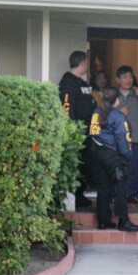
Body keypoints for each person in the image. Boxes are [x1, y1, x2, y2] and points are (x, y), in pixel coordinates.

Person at [88, 86, 138, 233]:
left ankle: (103, 221)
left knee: (103, 187)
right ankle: (123, 220)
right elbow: (123, 140)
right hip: (112, 156)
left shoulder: (96, 112)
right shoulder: (118, 116)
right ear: (117, 100)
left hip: (96, 154)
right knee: (121, 186)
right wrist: (127, 157)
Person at [58, 50, 95, 208]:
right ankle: (76, 197)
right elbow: (67, 108)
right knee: (77, 164)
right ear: (83, 63)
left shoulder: (82, 83)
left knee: (85, 163)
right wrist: (71, 130)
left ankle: (81, 194)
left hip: (87, 130)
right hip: (76, 132)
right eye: (87, 63)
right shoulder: (68, 82)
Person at [115, 65, 138, 204]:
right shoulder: (113, 95)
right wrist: (118, 112)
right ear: (117, 80)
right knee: (117, 168)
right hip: (117, 139)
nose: (128, 80)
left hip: (135, 137)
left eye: (130, 77)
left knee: (134, 168)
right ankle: (116, 194)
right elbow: (103, 114)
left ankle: (132, 194)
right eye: (124, 77)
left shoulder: (137, 93)